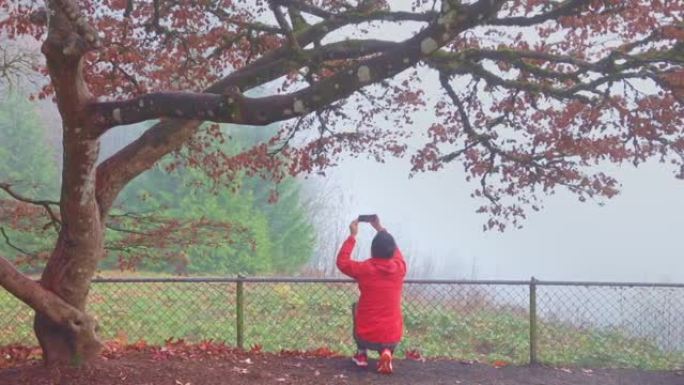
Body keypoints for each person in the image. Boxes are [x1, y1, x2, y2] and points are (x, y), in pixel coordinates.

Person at [336, 215, 406, 374]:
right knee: (390, 320)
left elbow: (342, 262)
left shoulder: (365, 269)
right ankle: (386, 352)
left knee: (357, 308)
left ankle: (361, 355)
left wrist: (352, 236)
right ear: (391, 250)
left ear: (373, 250)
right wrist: (380, 229)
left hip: (366, 335)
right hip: (392, 336)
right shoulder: (400, 268)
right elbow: (394, 249)